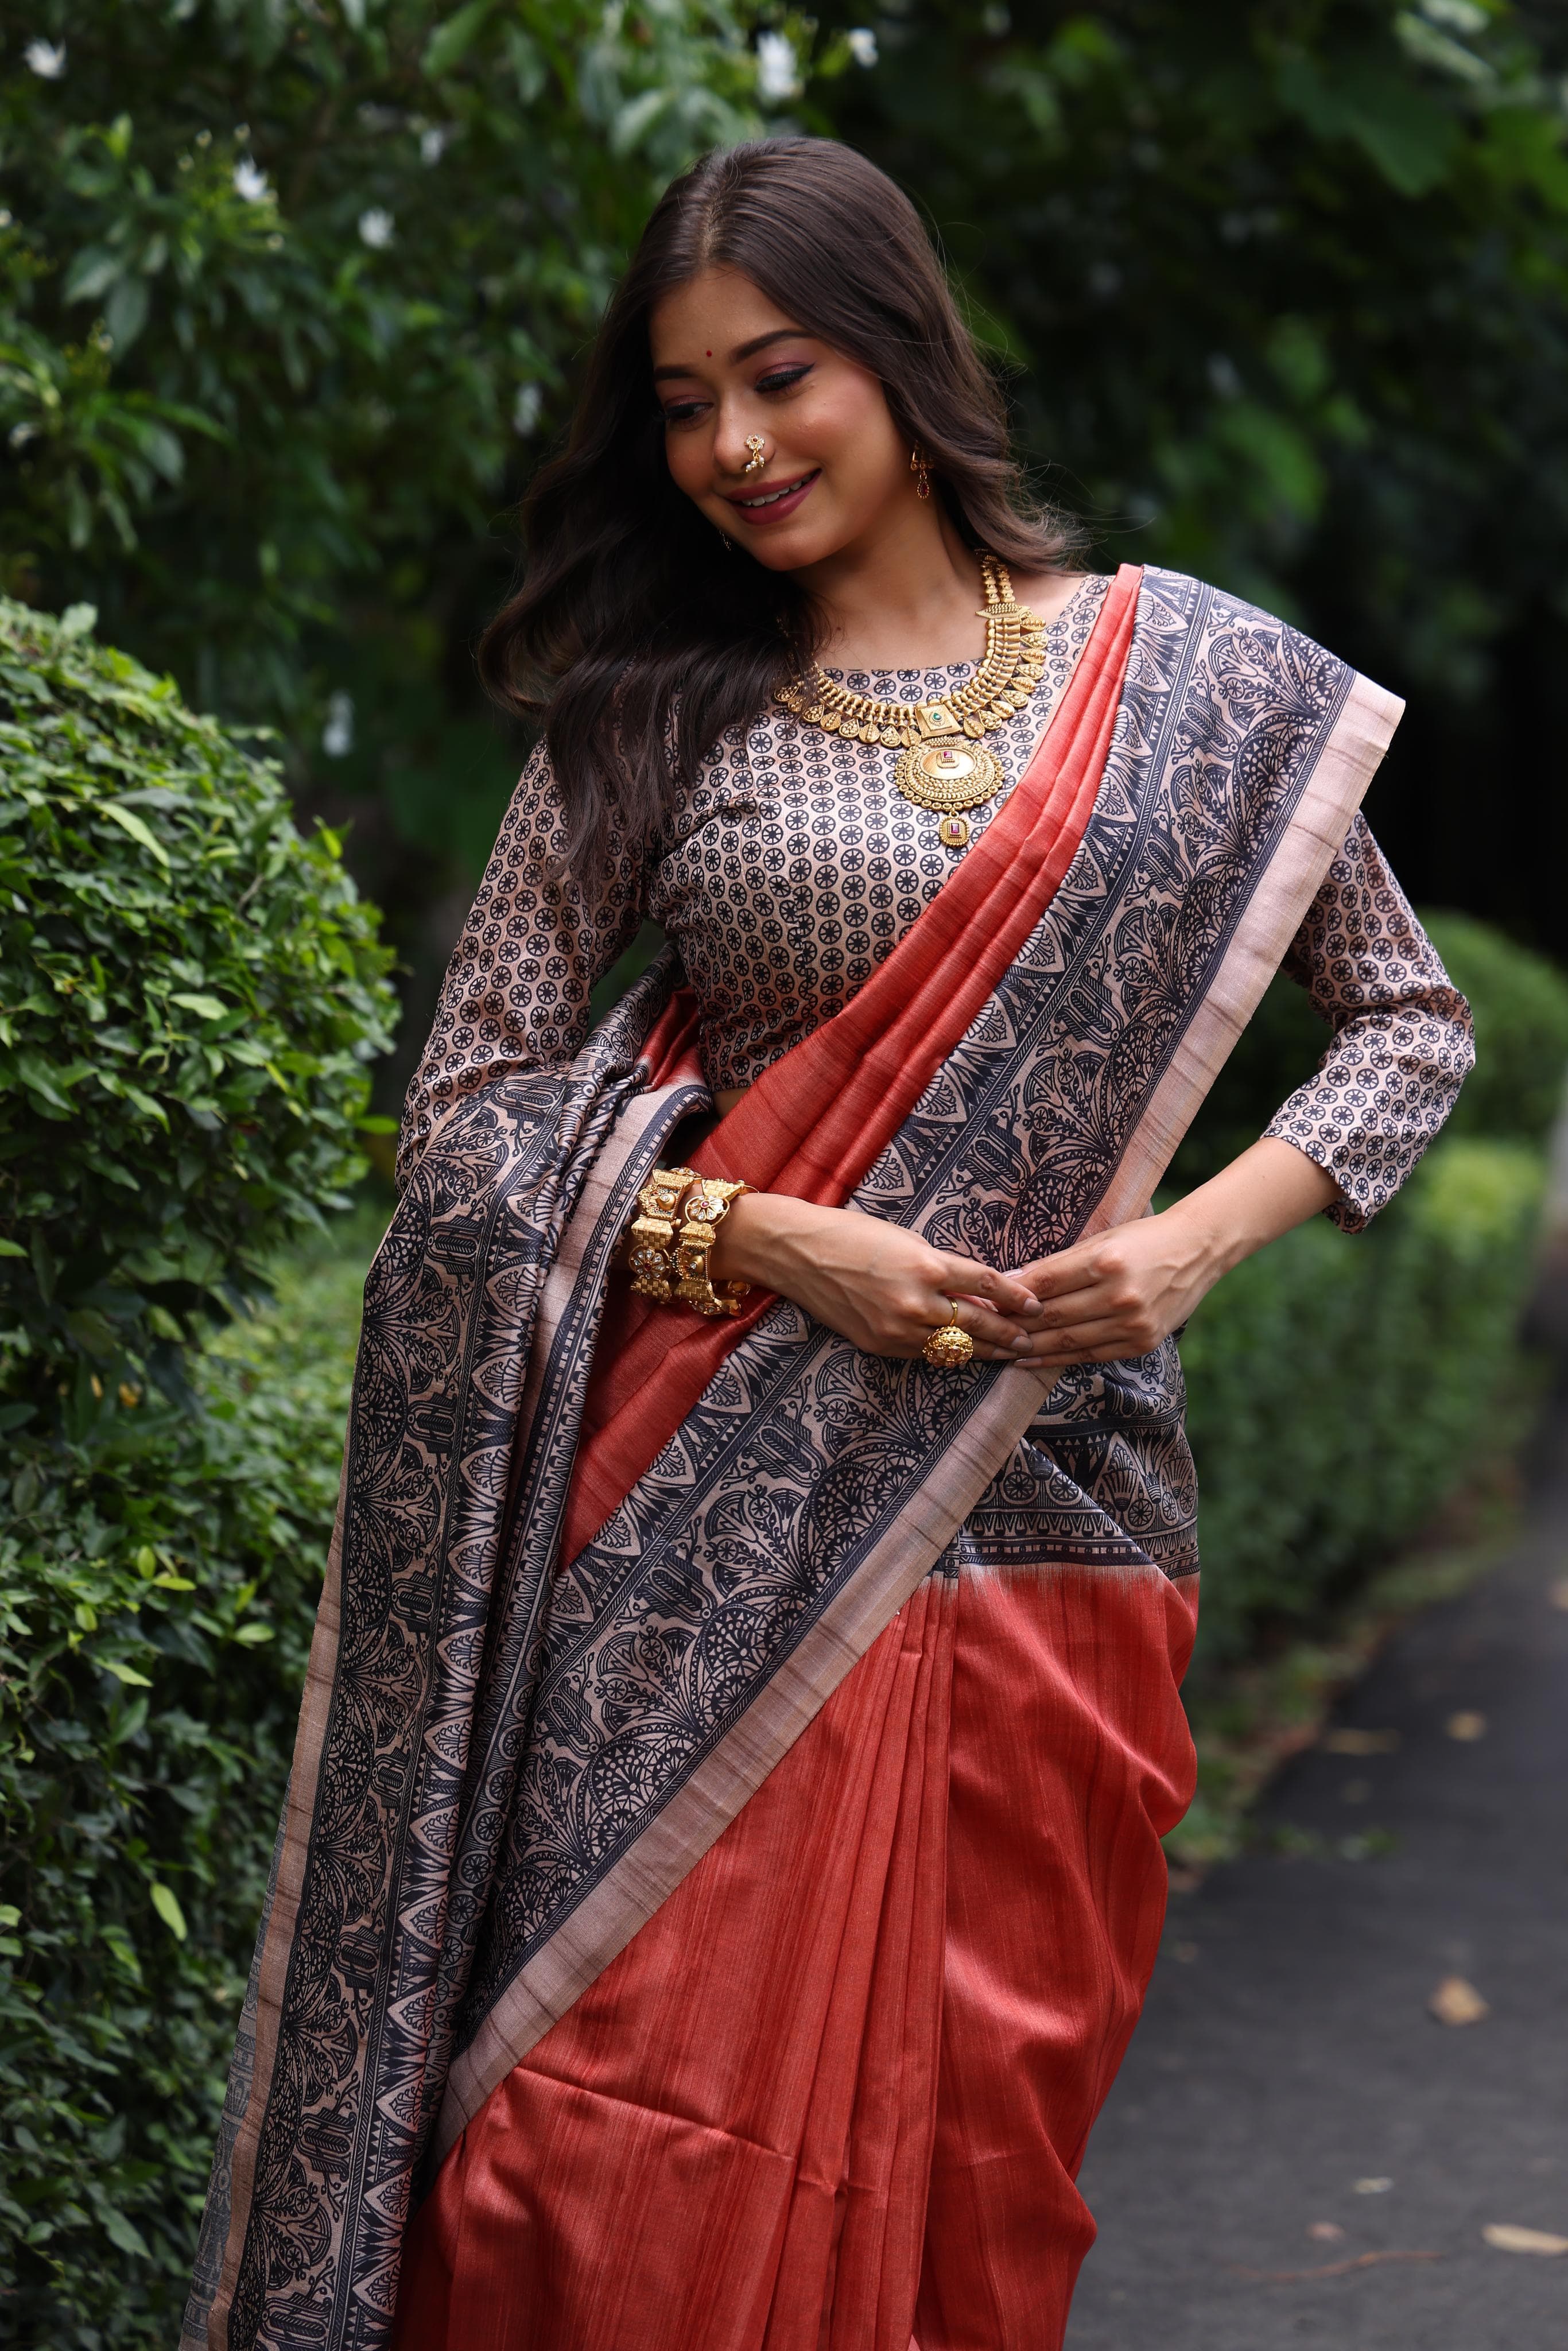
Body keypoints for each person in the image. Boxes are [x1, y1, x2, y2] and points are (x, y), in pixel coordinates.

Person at [184, 137, 1473, 2351]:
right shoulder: (641, 717)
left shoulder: (1199, 679)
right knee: (594, 2153)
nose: (733, 447)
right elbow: (470, 1128)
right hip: (697, 1538)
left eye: (775, 376)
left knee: (964, 2151)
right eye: (681, 404)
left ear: (896, 349)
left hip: (1051, 1516)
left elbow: (1404, 1027)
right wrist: (769, 1240)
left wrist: (1190, 1247)